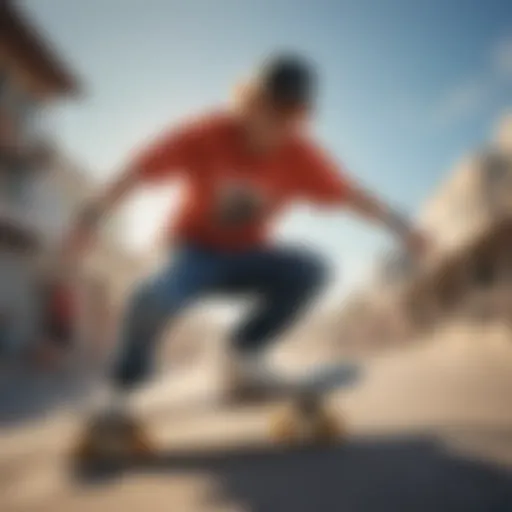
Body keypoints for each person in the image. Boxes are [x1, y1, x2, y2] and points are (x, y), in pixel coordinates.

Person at [63, 54, 427, 410]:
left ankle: (242, 356)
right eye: (269, 111)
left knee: (312, 269)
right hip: (192, 252)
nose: (277, 127)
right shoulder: (207, 133)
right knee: (150, 297)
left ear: (301, 119)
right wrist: (89, 219)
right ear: (248, 102)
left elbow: (351, 195)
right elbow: (138, 170)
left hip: (248, 257)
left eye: (291, 118)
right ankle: (126, 386)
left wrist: (402, 227)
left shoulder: (302, 156)